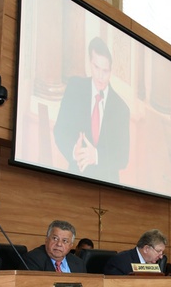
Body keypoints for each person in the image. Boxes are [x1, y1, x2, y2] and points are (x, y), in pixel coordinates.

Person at [53, 37, 130, 181]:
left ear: (111, 70)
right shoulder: (75, 88)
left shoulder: (121, 109)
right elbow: (60, 130)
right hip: (76, 180)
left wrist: (96, 156)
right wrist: (73, 152)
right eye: (96, 68)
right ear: (90, 63)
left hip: (108, 186)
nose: (100, 76)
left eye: (105, 71)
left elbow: (123, 157)